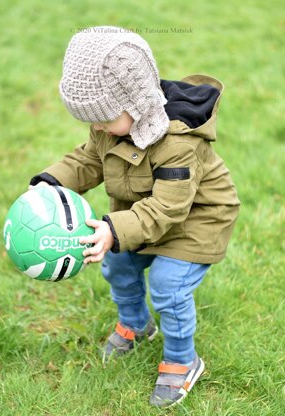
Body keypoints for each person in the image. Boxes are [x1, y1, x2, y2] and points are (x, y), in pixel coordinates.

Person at [29, 26, 240, 407]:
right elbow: (88, 160)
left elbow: (169, 208)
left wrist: (113, 227)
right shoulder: (109, 129)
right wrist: (51, 183)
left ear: (138, 103)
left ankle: (182, 361)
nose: (97, 129)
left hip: (196, 218)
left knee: (168, 285)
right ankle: (136, 324)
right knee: (118, 264)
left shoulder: (177, 143)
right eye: (91, 121)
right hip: (140, 214)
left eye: (105, 119)